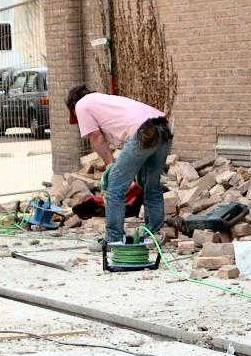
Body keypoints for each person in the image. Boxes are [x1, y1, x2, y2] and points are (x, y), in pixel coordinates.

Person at [65, 85, 173, 244]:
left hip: (144, 131)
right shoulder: (103, 100)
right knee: (151, 184)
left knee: (115, 186)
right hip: (163, 127)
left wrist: (110, 164)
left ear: (73, 104)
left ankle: (113, 238)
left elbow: (96, 138)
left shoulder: (81, 104)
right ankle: (153, 234)